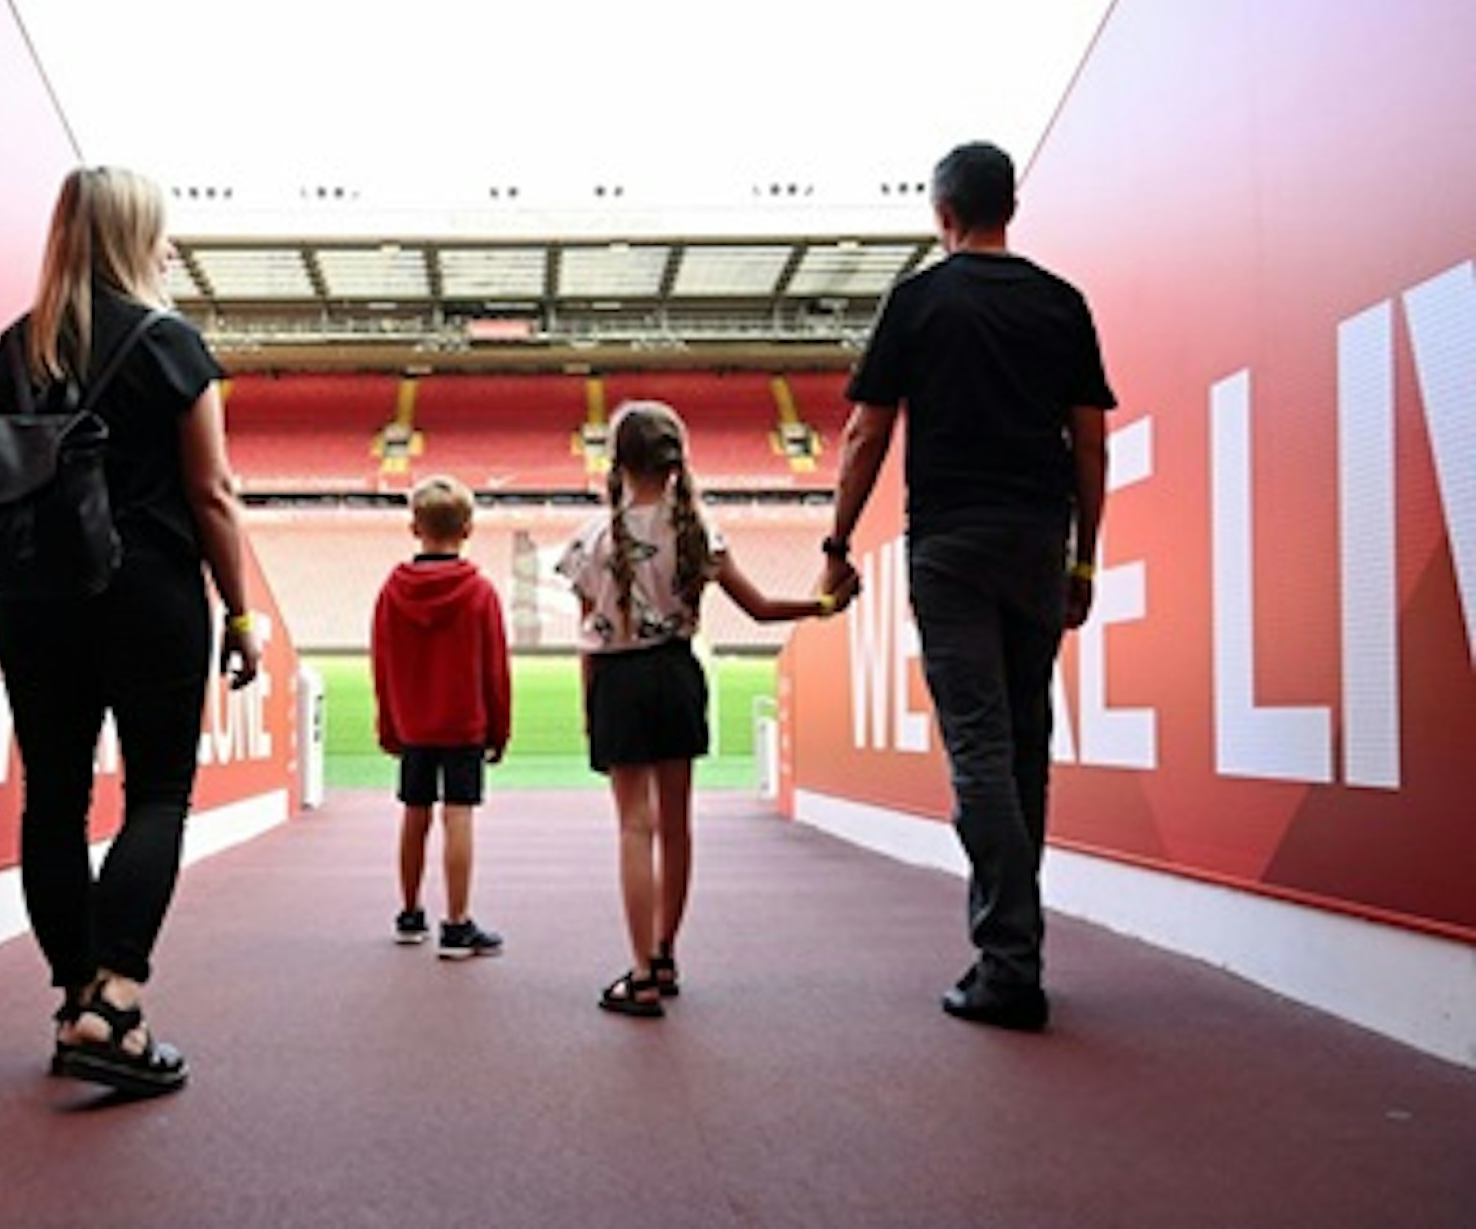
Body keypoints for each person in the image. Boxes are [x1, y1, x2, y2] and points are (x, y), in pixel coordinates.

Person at [820, 141, 1114, 1032]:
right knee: (1025, 740)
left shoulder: (918, 300)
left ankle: (1009, 962)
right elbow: (1090, 444)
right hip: (1036, 539)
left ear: (943, 215)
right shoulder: (1062, 303)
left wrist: (837, 543)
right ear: (1008, 208)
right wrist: (1084, 557)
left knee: (980, 747)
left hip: (949, 542)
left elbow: (866, 436)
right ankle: (1017, 952)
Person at [0, 165, 262, 1094]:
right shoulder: (170, 343)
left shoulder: (12, 351)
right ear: (138, 236)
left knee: (52, 799)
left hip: (34, 601)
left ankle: (74, 1001)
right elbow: (212, 493)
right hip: (146, 593)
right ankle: (118, 1001)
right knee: (158, 794)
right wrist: (242, 611)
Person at [558, 401, 850, 1018]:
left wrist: (590, 708)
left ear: (618, 461)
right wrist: (823, 606)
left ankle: (638, 975)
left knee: (634, 826)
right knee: (677, 824)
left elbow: (591, 633)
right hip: (677, 674)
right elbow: (764, 608)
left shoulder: (591, 540)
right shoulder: (697, 531)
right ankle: (664, 957)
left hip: (618, 680)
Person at [370, 475, 511, 959]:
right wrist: (499, 729)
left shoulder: (392, 591)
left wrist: (389, 724)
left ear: (414, 528)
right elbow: (495, 667)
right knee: (458, 817)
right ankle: (456, 923)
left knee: (414, 814)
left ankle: (410, 914)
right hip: (463, 723)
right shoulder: (480, 592)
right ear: (468, 529)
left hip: (414, 726)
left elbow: (382, 665)